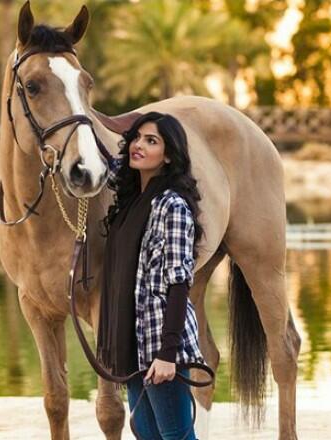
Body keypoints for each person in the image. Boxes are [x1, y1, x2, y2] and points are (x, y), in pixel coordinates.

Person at [97, 111, 206, 440]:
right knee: (146, 435)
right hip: (131, 345)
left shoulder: (171, 205)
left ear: (169, 155)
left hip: (159, 345)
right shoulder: (130, 203)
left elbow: (179, 282)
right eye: (137, 138)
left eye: (152, 140)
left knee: (176, 437)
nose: (138, 145)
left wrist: (167, 354)